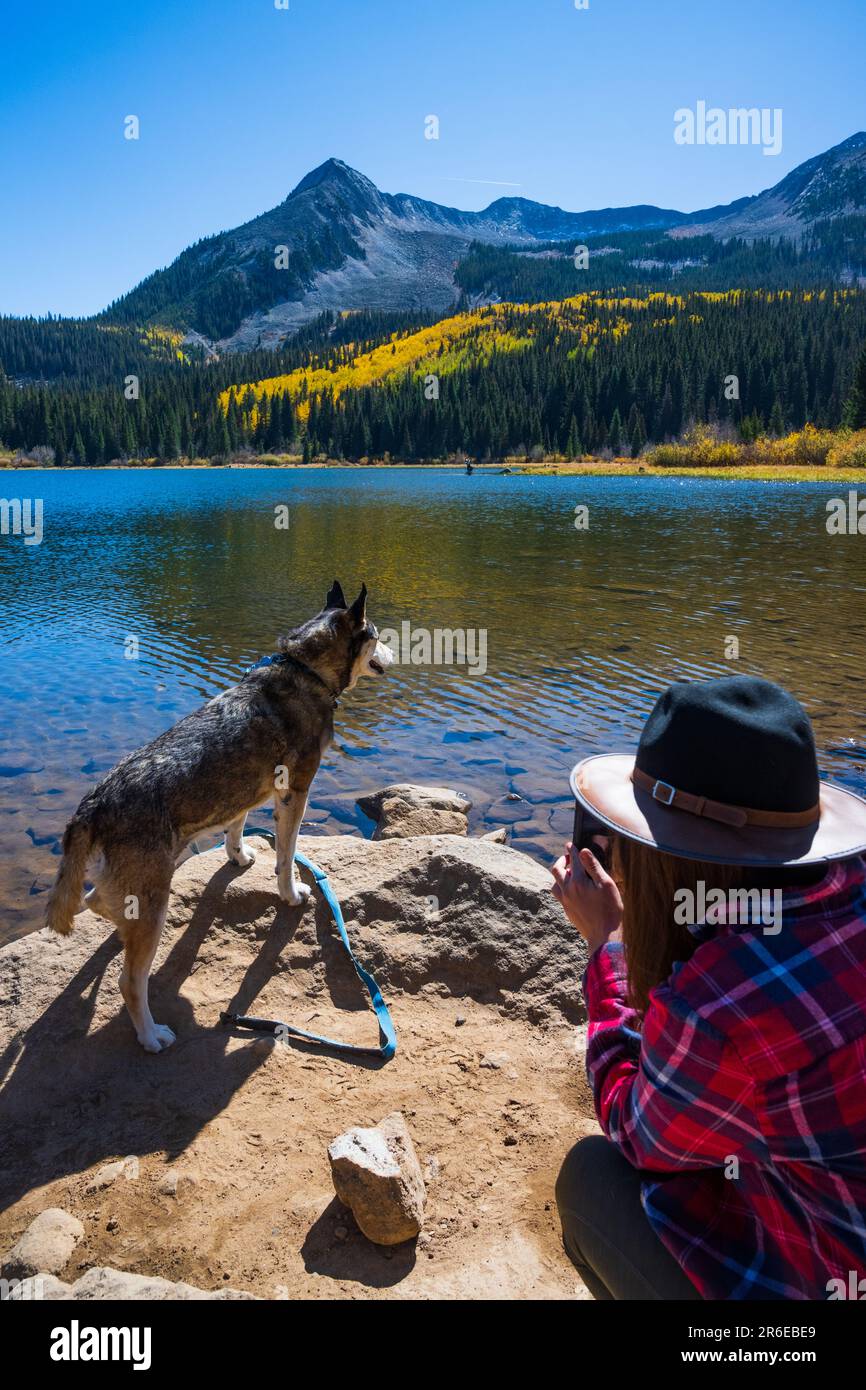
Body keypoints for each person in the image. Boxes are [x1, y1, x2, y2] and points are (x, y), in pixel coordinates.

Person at [550, 675, 866, 1300]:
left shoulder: (717, 1008)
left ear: (671, 855)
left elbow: (634, 1130)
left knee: (590, 1179)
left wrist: (607, 947)